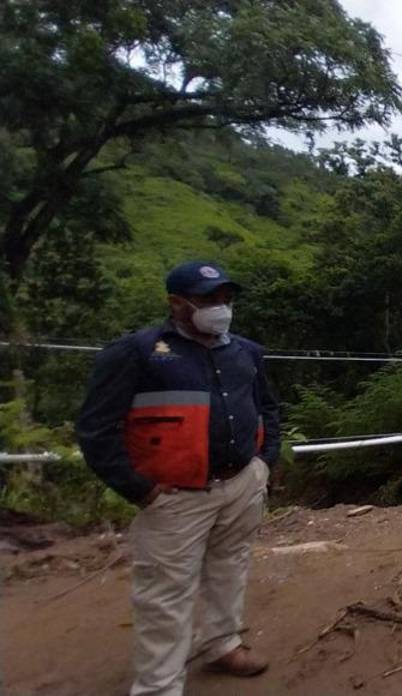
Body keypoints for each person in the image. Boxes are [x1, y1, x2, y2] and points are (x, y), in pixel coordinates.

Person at [77, 261, 280, 696]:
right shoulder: (138, 352)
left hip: (241, 483)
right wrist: (140, 489)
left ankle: (223, 644)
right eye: (208, 299)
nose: (221, 308)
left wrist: (264, 462)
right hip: (174, 497)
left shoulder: (246, 352)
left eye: (225, 299)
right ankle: (159, 686)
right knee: (165, 596)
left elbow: (268, 408)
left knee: (231, 568)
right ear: (176, 303)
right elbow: (95, 429)